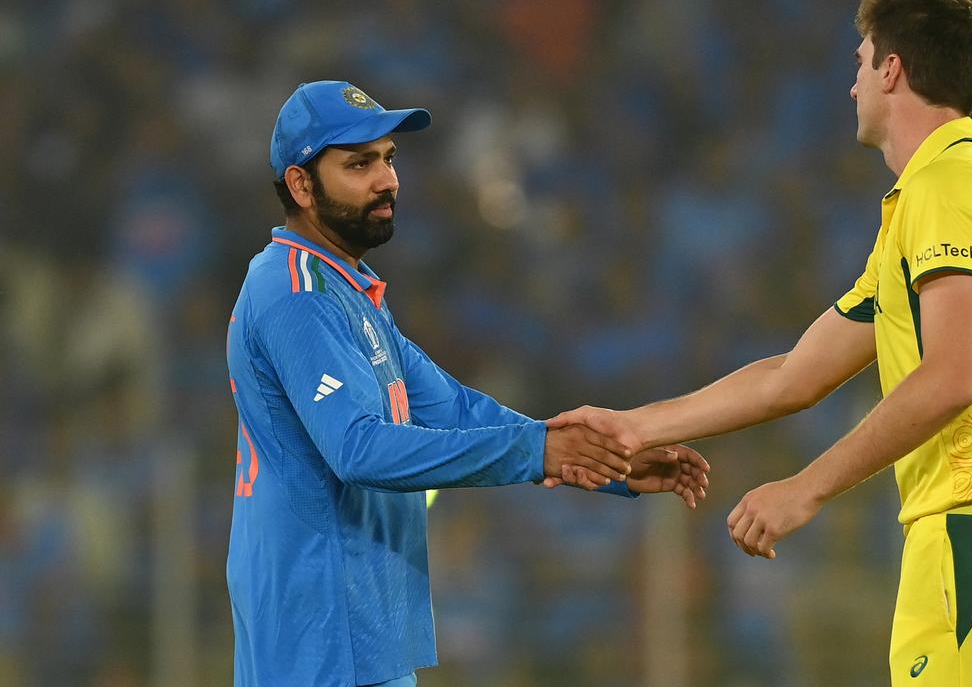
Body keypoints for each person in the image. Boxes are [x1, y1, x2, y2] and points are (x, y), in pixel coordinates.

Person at [550, 0, 972, 686]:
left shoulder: (948, 190)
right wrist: (635, 427)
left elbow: (950, 378)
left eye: (861, 62)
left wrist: (804, 487)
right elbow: (792, 377)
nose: (852, 86)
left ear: (892, 69)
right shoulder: (939, 198)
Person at [225, 80, 710, 687]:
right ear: (301, 185)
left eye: (389, 159)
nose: (388, 180)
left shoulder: (347, 291)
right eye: (358, 164)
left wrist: (604, 460)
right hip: (315, 634)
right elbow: (357, 449)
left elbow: (453, 407)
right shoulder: (294, 294)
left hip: (359, 629)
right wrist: (539, 451)